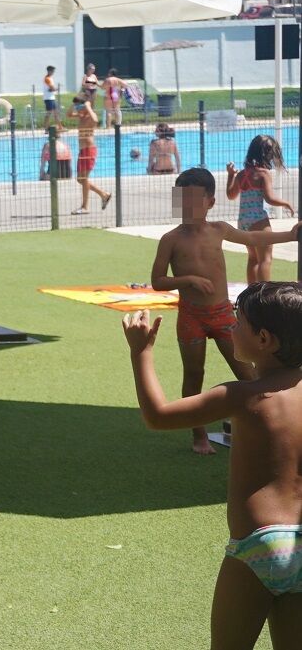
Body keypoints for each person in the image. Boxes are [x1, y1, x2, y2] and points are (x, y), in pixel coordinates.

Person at [120, 283, 302, 649]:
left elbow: (157, 416)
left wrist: (141, 353)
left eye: (239, 322)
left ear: (264, 339)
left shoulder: (242, 396)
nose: (232, 328)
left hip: (258, 542)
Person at [149, 168, 298, 455]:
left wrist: (290, 235)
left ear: (210, 202)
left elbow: (253, 239)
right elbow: (157, 281)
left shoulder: (219, 230)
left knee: (248, 372)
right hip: (191, 316)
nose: (188, 206)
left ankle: (263, 424)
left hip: (222, 314)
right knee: (194, 374)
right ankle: (199, 435)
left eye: (194, 200)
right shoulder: (171, 239)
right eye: (183, 199)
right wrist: (188, 280)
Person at [227, 134, 296, 283]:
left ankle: (251, 293)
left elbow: (231, 195)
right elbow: (269, 198)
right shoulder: (263, 174)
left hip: (243, 222)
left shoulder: (242, 174)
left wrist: (230, 176)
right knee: (265, 258)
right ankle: (264, 293)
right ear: (267, 154)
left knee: (253, 258)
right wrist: (286, 203)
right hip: (258, 220)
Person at [67, 92, 111, 214]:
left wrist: (88, 106)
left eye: (79, 106)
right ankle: (103, 194)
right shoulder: (81, 116)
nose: (78, 109)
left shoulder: (91, 116)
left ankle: (85, 207)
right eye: (77, 107)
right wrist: (74, 104)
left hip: (89, 150)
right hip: (82, 151)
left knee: (84, 178)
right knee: (80, 179)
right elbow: (68, 114)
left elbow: (96, 120)